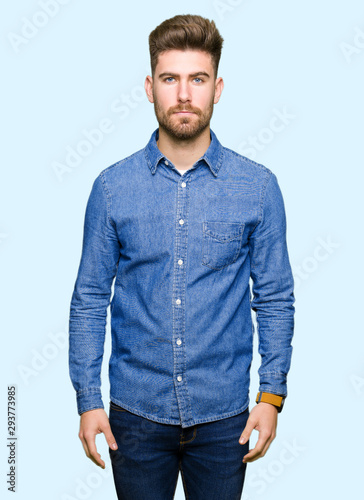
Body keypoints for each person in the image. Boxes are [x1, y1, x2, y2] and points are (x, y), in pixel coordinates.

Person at [68, 13, 295, 500]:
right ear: (150, 87)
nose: (185, 94)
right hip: (135, 415)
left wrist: (271, 396)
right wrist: (88, 400)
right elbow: (89, 297)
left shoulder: (258, 187)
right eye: (171, 79)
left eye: (198, 78)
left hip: (224, 417)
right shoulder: (111, 189)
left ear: (218, 87)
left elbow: (275, 297)